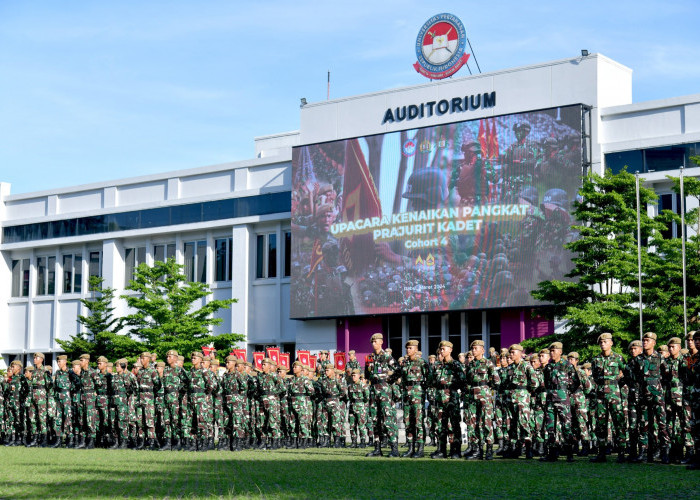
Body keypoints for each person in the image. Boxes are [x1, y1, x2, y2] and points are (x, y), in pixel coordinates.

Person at [589, 333, 627, 463]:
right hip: (600, 395)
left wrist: (617, 385)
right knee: (600, 424)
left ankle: (621, 452)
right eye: (601, 342)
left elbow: (626, 374)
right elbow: (594, 376)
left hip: (614, 393)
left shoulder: (618, 358)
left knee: (618, 422)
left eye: (605, 342)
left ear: (611, 343)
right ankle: (601, 452)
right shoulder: (596, 360)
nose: (603, 344)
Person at [391, 339, 430, 458]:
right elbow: (396, 376)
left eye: (411, 348)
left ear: (416, 349)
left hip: (417, 395)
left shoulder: (422, 363)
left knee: (418, 422)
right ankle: (411, 448)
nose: (408, 350)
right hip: (406, 395)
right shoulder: (404, 363)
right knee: (408, 422)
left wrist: (422, 389)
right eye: (407, 348)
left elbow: (429, 378)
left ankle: (420, 448)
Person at [541, 341, 579, 462]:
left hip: (563, 399)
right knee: (550, 426)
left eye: (554, 351)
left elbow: (576, 382)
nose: (552, 353)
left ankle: (569, 453)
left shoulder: (567, 365)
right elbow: (546, 382)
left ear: (560, 352)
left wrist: (566, 392)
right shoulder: (548, 367)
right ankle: (552, 453)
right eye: (550, 351)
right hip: (550, 398)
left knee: (566, 425)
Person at [364, 333, 399, 458]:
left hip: (384, 391)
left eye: (375, 341)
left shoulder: (386, 356)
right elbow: (367, 375)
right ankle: (377, 448)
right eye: (372, 342)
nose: (373, 344)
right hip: (374, 391)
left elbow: (398, 369)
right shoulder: (370, 358)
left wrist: (389, 381)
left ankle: (394, 448)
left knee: (387, 419)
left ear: (381, 342)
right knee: (375, 420)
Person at [464, 340, 500, 460]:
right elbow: (467, 380)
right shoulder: (470, 364)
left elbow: (496, 380)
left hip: (484, 396)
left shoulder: (488, 363)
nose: (473, 351)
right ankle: (477, 450)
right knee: (473, 423)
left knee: (486, 422)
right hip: (472, 396)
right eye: (472, 348)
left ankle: (489, 449)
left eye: (476, 348)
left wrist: (487, 389)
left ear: (482, 350)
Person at [430, 340, 465, 459]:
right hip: (440, 398)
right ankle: (441, 450)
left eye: (444, 348)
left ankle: (456, 450)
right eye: (440, 349)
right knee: (440, 425)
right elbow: (432, 381)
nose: (441, 350)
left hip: (451, 397)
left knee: (454, 425)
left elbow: (462, 380)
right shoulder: (437, 366)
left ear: (450, 350)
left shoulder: (455, 364)